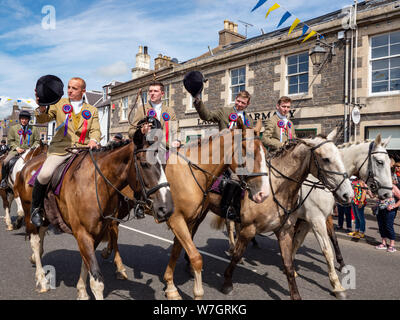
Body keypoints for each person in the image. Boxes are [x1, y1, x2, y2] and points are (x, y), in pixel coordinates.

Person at [31, 77, 101, 227]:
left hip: (83, 150)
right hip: (61, 149)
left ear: (83, 91)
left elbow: (95, 130)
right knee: (44, 174)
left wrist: (94, 140)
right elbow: (44, 119)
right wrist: (42, 107)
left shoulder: (92, 110)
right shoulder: (59, 103)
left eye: (74, 88)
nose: (69, 90)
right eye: (69, 87)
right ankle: (36, 208)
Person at [192, 90, 254, 222]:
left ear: (247, 105)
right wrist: (198, 102)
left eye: (243, 103)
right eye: (238, 101)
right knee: (236, 176)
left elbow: (250, 140)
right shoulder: (224, 112)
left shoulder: (249, 120)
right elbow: (206, 116)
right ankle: (225, 207)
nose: (239, 104)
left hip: (240, 155)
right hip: (222, 152)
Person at [128, 81, 181, 149]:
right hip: (147, 151)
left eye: (155, 91)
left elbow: (176, 131)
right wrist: (141, 131)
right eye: (150, 91)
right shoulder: (141, 109)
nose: (152, 93)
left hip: (167, 149)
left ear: (162, 94)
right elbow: (130, 132)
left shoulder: (170, 111)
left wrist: (177, 141)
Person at [0, 110, 40, 189]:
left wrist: (31, 148)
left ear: (28, 120)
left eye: (25, 119)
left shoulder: (34, 129)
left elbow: (37, 141)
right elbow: (11, 141)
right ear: (20, 119)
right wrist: (17, 148)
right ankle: (4, 180)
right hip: (15, 151)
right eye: (22, 119)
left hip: (30, 152)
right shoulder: (13, 128)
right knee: (5, 161)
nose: (24, 121)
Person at [375, 177, 400, 252]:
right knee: (381, 226)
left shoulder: (393, 187)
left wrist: (394, 206)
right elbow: (377, 197)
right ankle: (384, 243)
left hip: (390, 210)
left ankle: (392, 245)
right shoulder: (380, 187)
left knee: (388, 226)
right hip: (380, 209)